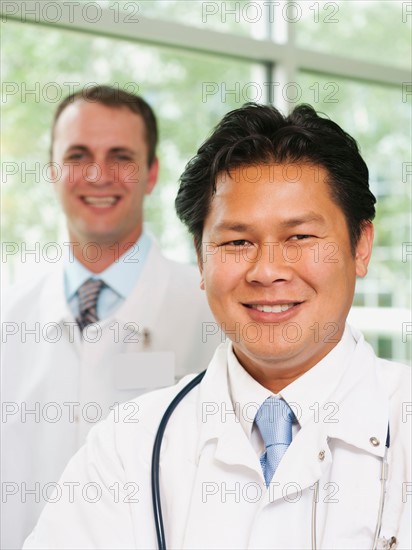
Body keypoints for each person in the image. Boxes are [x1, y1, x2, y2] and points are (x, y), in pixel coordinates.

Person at [23, 103, 411, 550]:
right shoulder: (128, 444)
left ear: (360, 246)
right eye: (237, 241)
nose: (267, 270)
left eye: (300, 237)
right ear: (201, 258)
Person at [1, 85, 221, 550]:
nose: (99, 174)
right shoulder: (10, 316)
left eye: (121, 155)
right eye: (78, 155)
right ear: (52, 170)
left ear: (152, 173)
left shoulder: (213, 311)